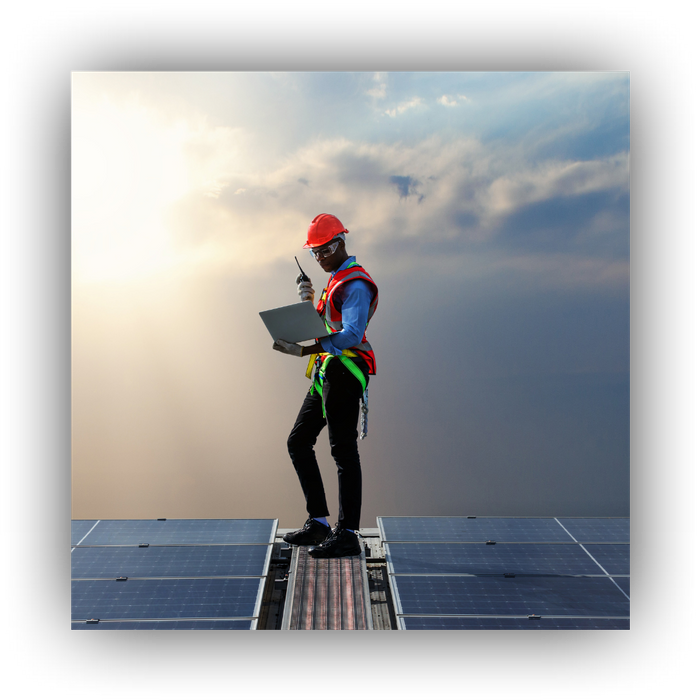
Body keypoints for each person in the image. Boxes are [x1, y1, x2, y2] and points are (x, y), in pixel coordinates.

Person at [272, 213, 378, 558]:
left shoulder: (355, 285)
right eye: (314, 252)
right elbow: (326, 324)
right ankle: (318, 522)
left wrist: (303, 348)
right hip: (327, 371)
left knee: (343, 451)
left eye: (324, 250)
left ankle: (347, 533)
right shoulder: (336, 280)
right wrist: (309, 300)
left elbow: (350, 334)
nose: (319, 257)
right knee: (298, 441)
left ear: (340, 243)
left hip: (345, 372)